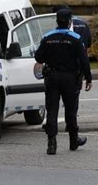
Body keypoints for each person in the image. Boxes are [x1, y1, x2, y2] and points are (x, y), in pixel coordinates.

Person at [35, 9, 92, 155]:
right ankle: (74, 140)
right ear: (69, 22)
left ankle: (51, 143)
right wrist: (88, 78)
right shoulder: (75, 38)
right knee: (71, 111)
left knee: (52, 110)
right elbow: (84, 60)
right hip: (70, 78)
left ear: (56, 21)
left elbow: (38, 57)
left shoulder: (48, 37)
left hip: (52, 78)